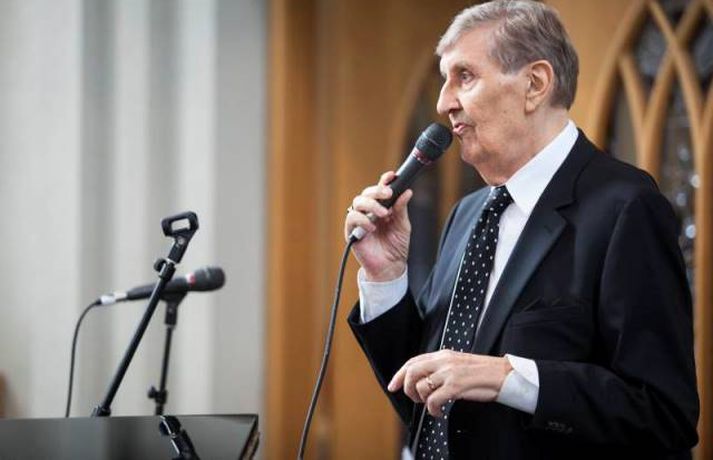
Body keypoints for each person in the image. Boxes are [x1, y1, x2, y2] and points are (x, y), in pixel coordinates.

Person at [343, 1, 699, 458]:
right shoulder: (467, 214)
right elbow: (425, 400)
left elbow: (663, 414)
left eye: (464, 76)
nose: (443, 102)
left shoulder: (626, 207)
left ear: (535, 84)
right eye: (446, 78)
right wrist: (386, 276)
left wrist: (509, 378)